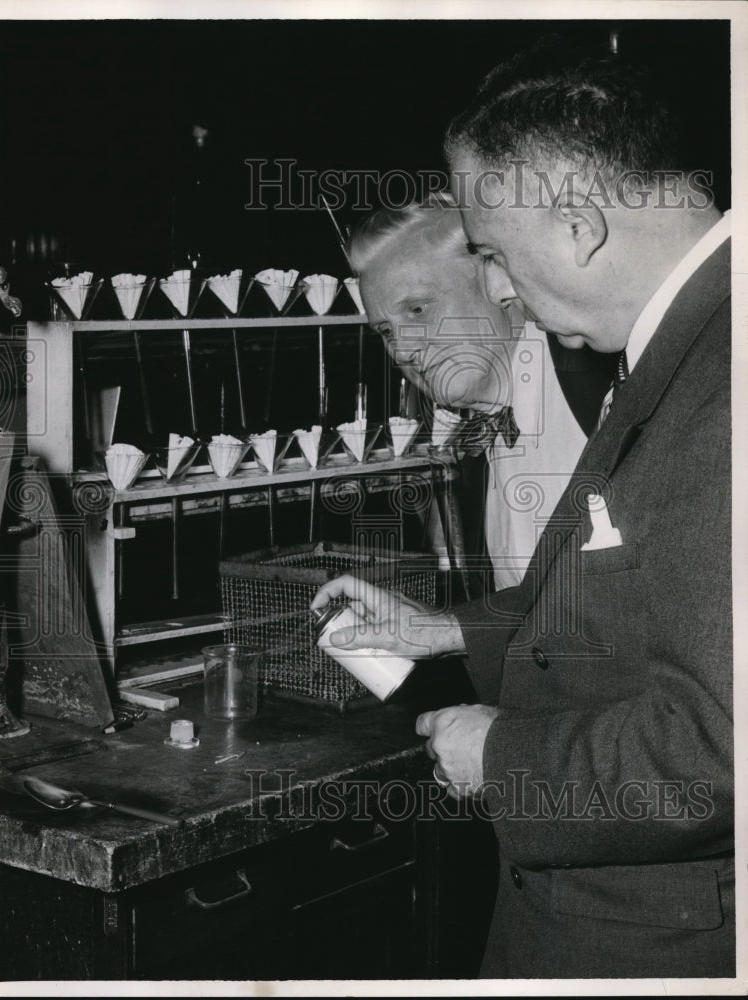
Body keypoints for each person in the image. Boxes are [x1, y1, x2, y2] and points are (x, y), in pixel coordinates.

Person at [312, 39, 733, 979]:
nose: (504, 286)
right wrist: (437, 631)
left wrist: (504, 753)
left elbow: (720, 745)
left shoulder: (713, 372)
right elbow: (636, 609)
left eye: (497, 255)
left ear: (577, 225)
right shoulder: (677, 348)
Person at [349, 196, 615, 590]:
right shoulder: (474, 448)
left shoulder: (601, 377)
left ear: (496, 279)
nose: (402, 350)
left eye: (418, 310)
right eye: (386, 331)